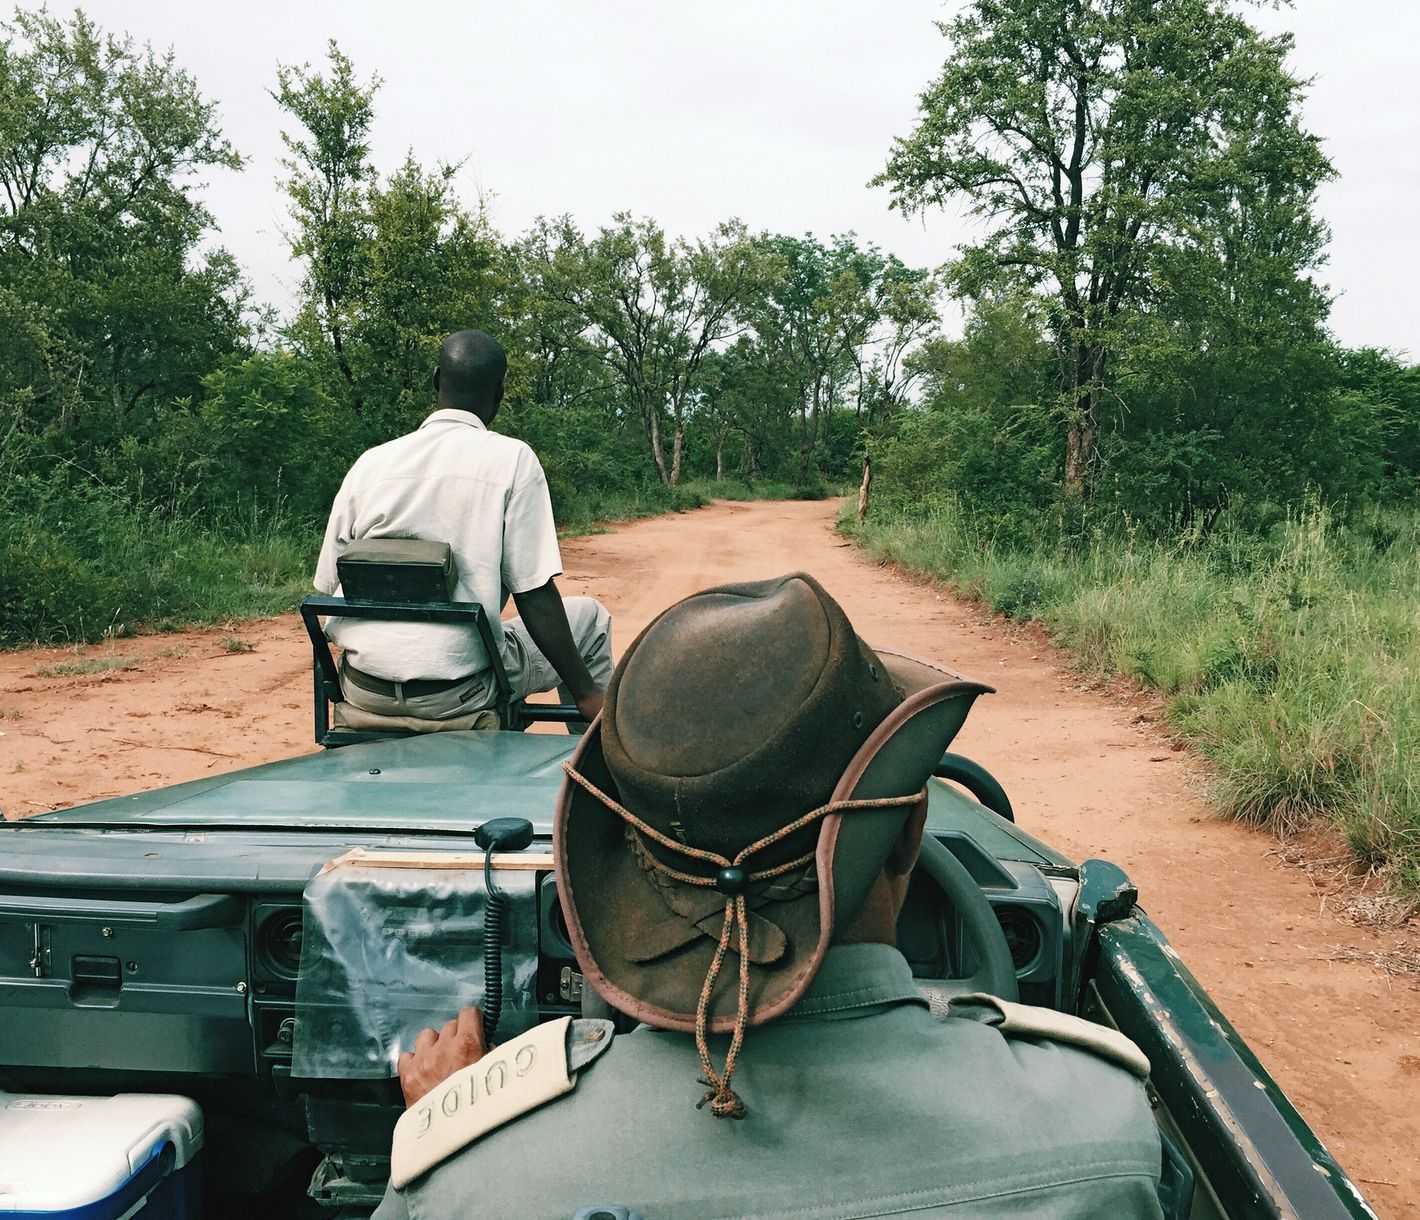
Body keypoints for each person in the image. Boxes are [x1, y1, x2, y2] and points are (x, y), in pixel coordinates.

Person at [372, 573, 1165, 1219]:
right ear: (903, 832)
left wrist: (459, 1124)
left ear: (622, 859)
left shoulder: (467, 1186)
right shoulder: (1105, 1131)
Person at [314, 329, 611, 727]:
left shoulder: (370, 464)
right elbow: (534, 593)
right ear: (499, 395)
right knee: (591, 618)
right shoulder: (513, 460)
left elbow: (327, 584)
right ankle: (587, 775)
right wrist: (586, 692)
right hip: (457, 696)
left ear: (437, 380)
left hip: (364, 691)